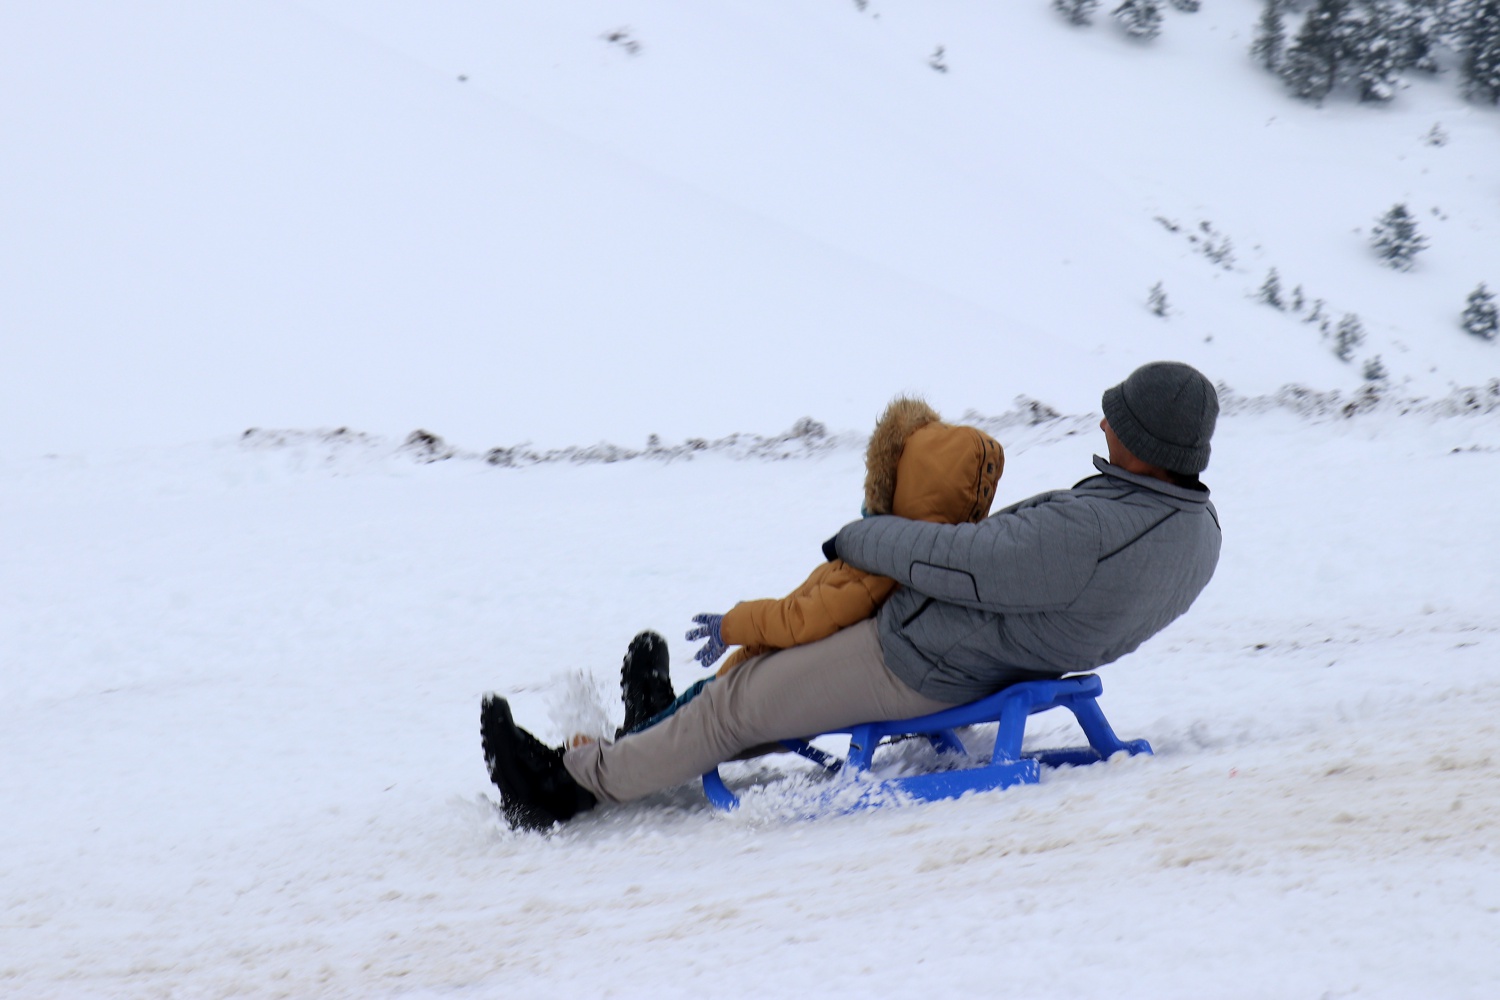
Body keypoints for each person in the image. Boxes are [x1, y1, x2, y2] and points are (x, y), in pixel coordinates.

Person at [481, 361, 1222, 831]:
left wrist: (865, 538)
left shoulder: (1098, 528)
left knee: (736, 705)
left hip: (917, 660)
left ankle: (565, 788)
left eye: (1117, 420)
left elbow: (967, 564)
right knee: (757, 687)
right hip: (976, 658)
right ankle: (651, 732)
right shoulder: (1196, 532)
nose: (1102, 422)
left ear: (1147, 444)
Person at [601, 397, 1004, 744]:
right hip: (824, 678)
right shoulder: (933, 563)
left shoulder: (880, 566)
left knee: (688, 712)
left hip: (772, 682)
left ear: (895, 483)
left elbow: (802, 623)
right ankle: (652, 716)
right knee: (683, 691)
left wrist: (732, 624)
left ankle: (629, 744)